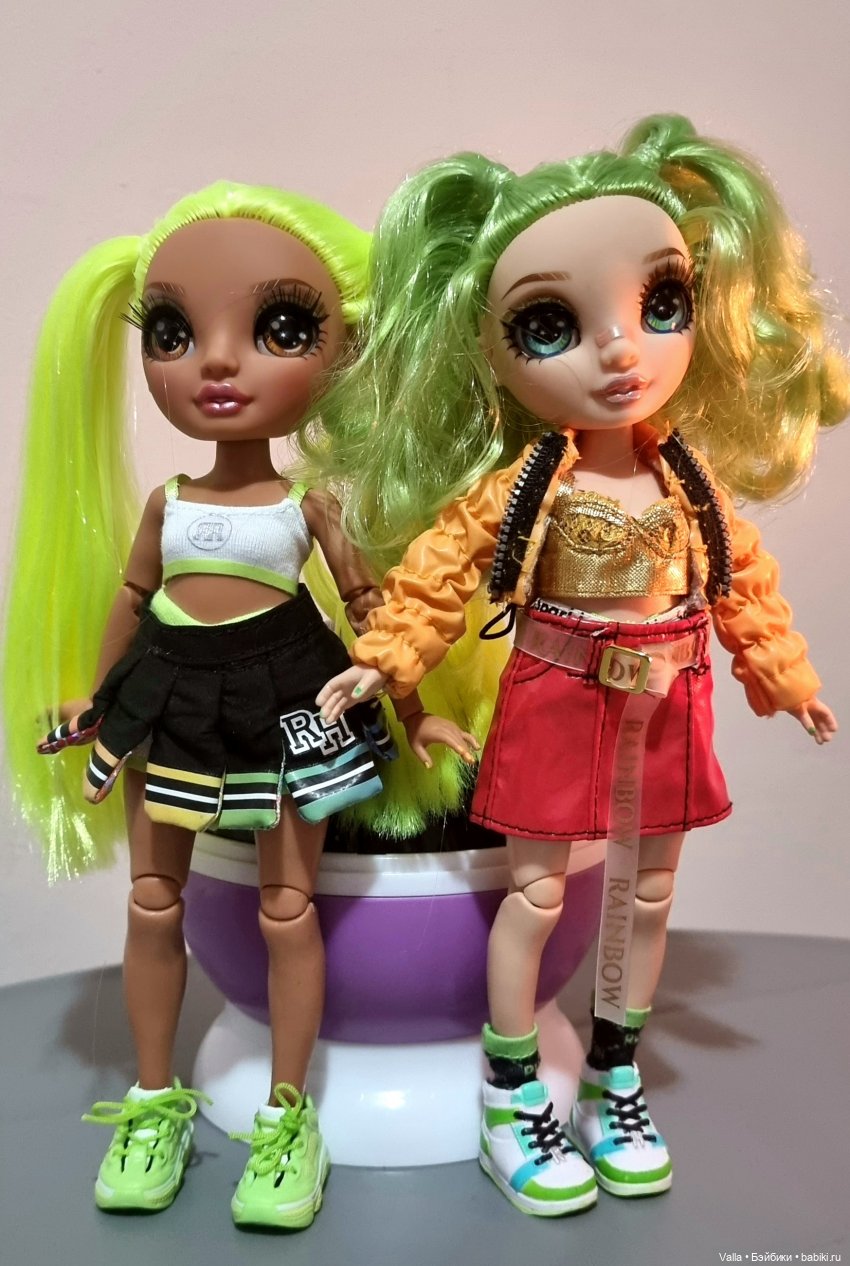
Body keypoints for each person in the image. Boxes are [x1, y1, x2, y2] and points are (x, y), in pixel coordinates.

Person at [311, 116, 846, 1216]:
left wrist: (787, 678)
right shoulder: (524, 485)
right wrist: (385, 660)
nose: (621, 350)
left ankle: (614, 1073)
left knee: (649, 889)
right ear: (489, 346)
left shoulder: (685, 478)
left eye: (660, 303)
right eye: (551, 324)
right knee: (540, 889)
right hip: (558, 692)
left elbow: (742, 580)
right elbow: (438, 573)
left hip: (672, 691)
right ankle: (511, 1092)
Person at [3, 181, 475, 1227]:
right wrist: (95, 698)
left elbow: (372, 613)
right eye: (174, 332)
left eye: (280, 329)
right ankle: (152, 1099)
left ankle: (287, 1116)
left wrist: (414, 712)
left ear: (342, 351)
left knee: (286, 909)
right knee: (152, 899)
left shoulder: (309, 504)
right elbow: (133, 600)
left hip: (286, 698)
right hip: (167, 693)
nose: (217, 363)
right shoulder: (168, 502)